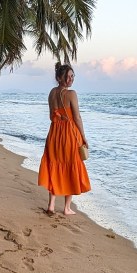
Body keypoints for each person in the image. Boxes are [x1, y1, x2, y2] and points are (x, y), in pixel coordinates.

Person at [38, 62, 90, 216]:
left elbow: (51, 117)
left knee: (55, 166)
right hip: (69, 135)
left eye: (72, 76)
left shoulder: (52, 93)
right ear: (59, 78)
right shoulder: (71, 94)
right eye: (67, 77)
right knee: (71, 166)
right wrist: (84, 137)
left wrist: (59, 116)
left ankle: (52, 205)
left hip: (54, 135)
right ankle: (67, 208)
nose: (70, 79)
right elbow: (77, 117)